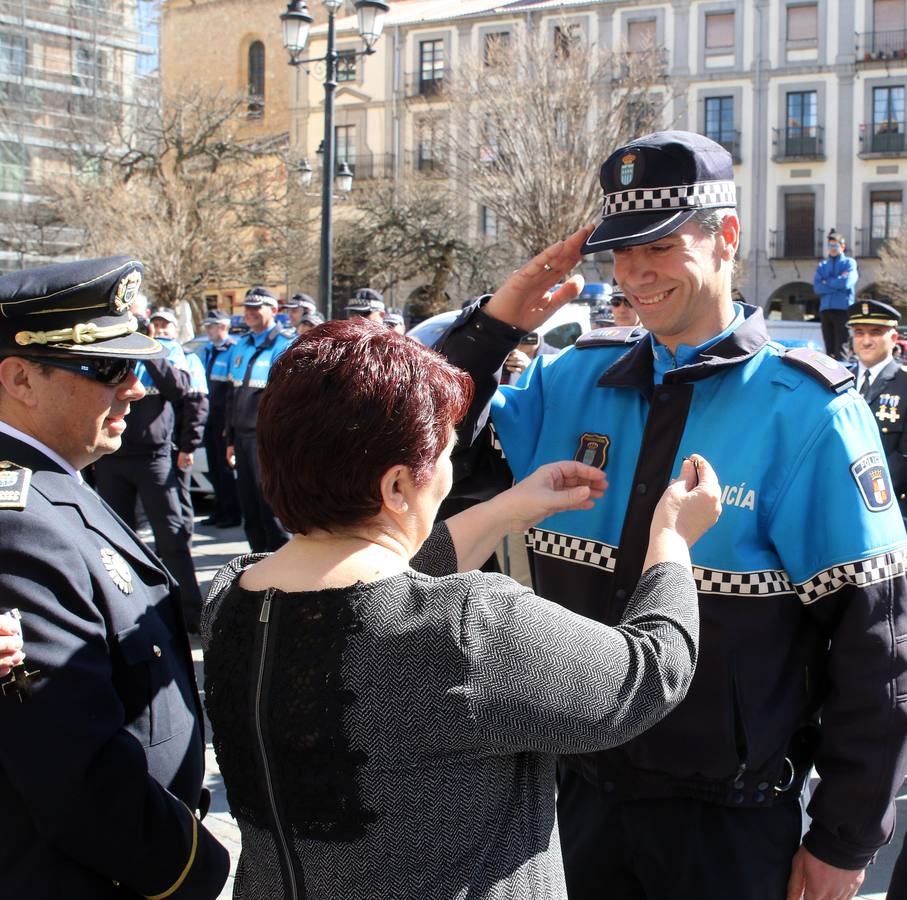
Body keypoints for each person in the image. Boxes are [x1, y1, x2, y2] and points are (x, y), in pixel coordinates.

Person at [437, 130, 907, 900]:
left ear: (724, 237)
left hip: (725, 820)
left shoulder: (809, 410)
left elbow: (876, 641)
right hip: (571, 797)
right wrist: (494, 326)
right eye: (620, 252)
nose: (634, 273)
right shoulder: (571, 379)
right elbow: (414, 463)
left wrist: (844, 837)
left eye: (657, 245)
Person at [202, 317, 722, 899]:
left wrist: (507, 510)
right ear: (397, 487)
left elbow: (370, 593)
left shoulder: (230, 599)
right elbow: (650, 673)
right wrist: (673, 542)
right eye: (445, 454)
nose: (448, 475)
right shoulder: (470, 630)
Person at [0, 256, 229, 898]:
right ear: (20, 377)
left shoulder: (52, 483)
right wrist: (190, 868)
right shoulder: (19, 522)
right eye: (108, 368)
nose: (136, 387)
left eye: (137, 365)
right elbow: (71, 765)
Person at [94, 305, 206, 633]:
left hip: (154, 458)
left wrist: (146, 348)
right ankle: (126, 612)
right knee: (116, 538)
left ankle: (190, 613)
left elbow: (179, 390)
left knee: (171, 537)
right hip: (112, 458)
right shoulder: (109, 351)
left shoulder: (167, 352)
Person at [225, 286, 293, 552]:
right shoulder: (241, 344)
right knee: (250, 508)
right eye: (247, 308)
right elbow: (233, 394)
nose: (250, 313)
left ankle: (281, 574)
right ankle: (257, 566)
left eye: (257, 307)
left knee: (272, 510)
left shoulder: (285, 344)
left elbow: (287, 400)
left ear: (274, 310)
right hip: (241, 439)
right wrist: (229, 439)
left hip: (266, 439)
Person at [148, 307, 209, 532]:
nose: (161, 329)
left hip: (177, 442)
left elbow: (197, 405)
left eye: (166, 325)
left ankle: (184, 540)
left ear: (176, 329)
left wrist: (188, 446)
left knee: (178, 497)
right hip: (156, 443)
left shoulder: (188, 357)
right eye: (157, 324)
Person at [847, 299, 907, 517]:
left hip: (888, 507)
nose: (866, 341)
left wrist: (867, 491)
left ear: (893, 338)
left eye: (875, 332)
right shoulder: (839, 381)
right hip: (840, 502)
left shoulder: (904, 383)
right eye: (859, 332)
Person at [199, 309, 241, 528]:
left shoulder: (233, 350)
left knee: (226, 469)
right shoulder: (207, 350)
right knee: (214, 467)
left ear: (223, 327)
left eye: (211, 326)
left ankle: (232, 513)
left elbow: (232, 390)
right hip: (208, 418)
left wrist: (229, 424)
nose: (208, 330)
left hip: (223, 418)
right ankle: (219, 509)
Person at [813, 229, 858, 360]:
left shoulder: (849, 263)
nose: (832, 248)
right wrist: (836, 282)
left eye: (835, 245)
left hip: (842, 310)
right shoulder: (822, 265)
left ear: (842, 246)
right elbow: (817, 288)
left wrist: (827, 282)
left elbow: (846, 283)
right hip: (826, 310)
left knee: (842, 349)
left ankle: (844, 378)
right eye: (830, 245)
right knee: (829, 350)